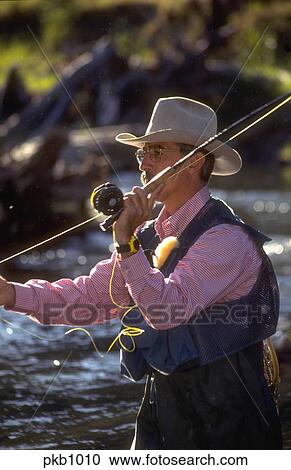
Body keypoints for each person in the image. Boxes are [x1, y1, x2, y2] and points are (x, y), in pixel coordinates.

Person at [0, 97, 282, 449]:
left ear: (194, 161)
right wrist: (10, 294)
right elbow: (88, 298)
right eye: (142, 153)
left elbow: (167, 311)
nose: (144, 164)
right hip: (162, 415)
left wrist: (126, 243)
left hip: (230, 423)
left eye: (157, 152)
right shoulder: (146, 236)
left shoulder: (227, 240)